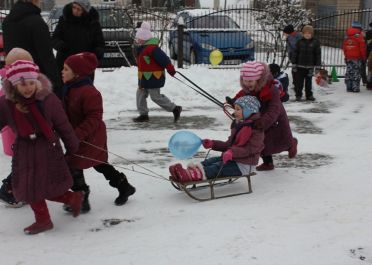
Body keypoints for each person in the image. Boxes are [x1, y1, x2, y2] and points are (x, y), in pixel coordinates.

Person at [0, 60, 82, 234]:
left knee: (43, 187)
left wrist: (72, 145)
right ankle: (68, 200)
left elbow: (63, 124)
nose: (28, 88)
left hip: (47, 147)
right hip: (23, 150)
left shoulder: (48, 99)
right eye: (22, 84)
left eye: (31, 83)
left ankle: (53, 212)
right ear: (14, 85)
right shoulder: (7, 104)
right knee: (29, 188)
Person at [61, 52, 136, 213]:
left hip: (90, 136)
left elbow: (94, 118)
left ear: (77, 73)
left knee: (75, 163)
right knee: (99, 164)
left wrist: (76, 134)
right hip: (80, 136)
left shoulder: (89, 92)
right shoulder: (70, 88)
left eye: (66, 69)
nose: (62, 72)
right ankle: (124, 186)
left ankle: (81, 198)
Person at [168, 95, 264, 182]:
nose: (235, 112)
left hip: (244, 165)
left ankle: (191, 175)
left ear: (248, 111)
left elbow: (250, 149)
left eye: (238, 109)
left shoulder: (256, 128)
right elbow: (228, 145)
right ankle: (187, 172)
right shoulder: (239, 125)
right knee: (209, 162)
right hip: (233, 159)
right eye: (235, 109)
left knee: (217, 167)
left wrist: (232, 152)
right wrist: (213, 144)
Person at [230, 61, 297, 171]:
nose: (247, 84)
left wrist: (263, 121)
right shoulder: (248, 89)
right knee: (259, 141)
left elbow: (274, 110)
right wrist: (233, 102)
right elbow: (242, 97)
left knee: (281, 140)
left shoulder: (272, 89)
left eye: (250, 81)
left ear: (259, 79)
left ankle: (291, 144)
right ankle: (268, 163)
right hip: (258, 118)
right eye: (245, 81)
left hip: (276, 120)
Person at [2, 0, 63, 98]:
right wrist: (57, 85)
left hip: (14, 78)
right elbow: (47, 57)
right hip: (34, 82)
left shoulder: (7, 21)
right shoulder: (37, 22)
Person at [0, 48, 34, 207]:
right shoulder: (11, 91)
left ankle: (16, 189)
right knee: (23, 165)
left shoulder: (16, 84)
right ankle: (9, 191)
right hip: (19, 136)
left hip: (24, 136)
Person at [133, 21, 182, 123]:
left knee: (155, 97)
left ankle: (175, 108)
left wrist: (170, 69)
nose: (137, 40)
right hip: (144, 78)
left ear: (145, 38)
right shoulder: (142, 49)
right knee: (140, 94)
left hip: (154, 77)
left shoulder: (152, 48)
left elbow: (164, 59)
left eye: (139, 38)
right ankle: (143, 115)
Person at [52, 0, 105, 80]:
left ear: (84, 11)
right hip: (65, 63)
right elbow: (55, 38)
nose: (75, 11)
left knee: (84, 89)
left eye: (79, 9)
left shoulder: (93, 23)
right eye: (74, 7)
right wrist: (61, 45)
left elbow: (99, 43)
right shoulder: (64, 20)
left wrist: (96, 53)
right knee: (63, 90)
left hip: (84, 64)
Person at [292, 25, 321, 101]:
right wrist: (294, 64)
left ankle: (309, 95)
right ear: (303, 33)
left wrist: (317, 67)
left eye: (309, 33)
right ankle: (298, 95)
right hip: (299, 66)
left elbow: (318, 55)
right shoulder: (299, 42)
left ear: (312, 34)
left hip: (310, 67)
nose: (307, 34)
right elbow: (295, 53)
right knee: (299, 82)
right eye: (305, 33)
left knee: (308, 82)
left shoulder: (315, 42)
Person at [342, 24, 367, 93]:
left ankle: (349, 87)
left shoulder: (347, 36)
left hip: (348, 57)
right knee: (356, 72)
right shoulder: (359, 36)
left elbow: (344, 48)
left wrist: (346, 56)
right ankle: (355, 88)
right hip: (357, 58)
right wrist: (363, 57)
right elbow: (362, 48)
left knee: (349, 72)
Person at [283, 24, 302, 93]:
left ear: (288, 32)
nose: (284, 34)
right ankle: (296, 85)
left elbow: (294, 47)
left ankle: (297, 86)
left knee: (296, 72)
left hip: (297, 58)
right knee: (295, 72)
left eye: (284, 33)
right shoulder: (294, 36)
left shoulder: (293, 37)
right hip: (295, 57)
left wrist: (288, 38)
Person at [351, 21, 368, 86]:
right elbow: (364, 46)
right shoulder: (362, 34)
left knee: (351, 68)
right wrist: (364, 56)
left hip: (351, 54)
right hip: (360, 55)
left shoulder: (349, 34)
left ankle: (351, 82)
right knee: (362, 68)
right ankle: (364, 81)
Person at [365, 22, 372, 89]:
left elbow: (366, 43)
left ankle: (369, 84)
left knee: (370, 69)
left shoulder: (368, 33)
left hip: (370, 52)